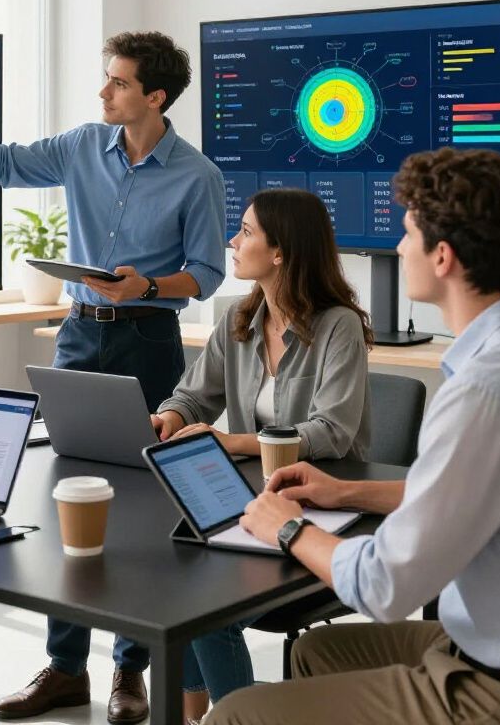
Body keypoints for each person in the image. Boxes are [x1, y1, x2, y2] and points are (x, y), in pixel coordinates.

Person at [0, 30, 226, 723]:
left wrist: (147, 286)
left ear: (154, 96)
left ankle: (130, 671)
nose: (103, 93)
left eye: (118, 83)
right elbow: (1, 165)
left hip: (149, 339)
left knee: (142, 509)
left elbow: (208, 273)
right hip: (79, 335)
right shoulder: (79, 146)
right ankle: (65, 668)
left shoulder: (198, 175)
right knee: (67, 496)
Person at [205, 147, 500, 725]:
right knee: (313, 652)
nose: (398, 246)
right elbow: (480, 494)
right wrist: (348, 493)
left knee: (235, 714)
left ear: (442, 256)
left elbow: (386, 586)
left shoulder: (484, 390)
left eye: (407, 233)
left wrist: (286, 527)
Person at [152, 188, 373, 723]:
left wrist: (234, 442)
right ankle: (194, 715)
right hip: (255, 502)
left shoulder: (338, 325)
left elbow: (331, 433)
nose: (233, 239)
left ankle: (240, 718)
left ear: (280, 252)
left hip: (323, 508)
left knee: (207, 606)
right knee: (176, 575)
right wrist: (170, 419)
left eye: (246, 231)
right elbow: (192, 394)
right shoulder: (237, 320)